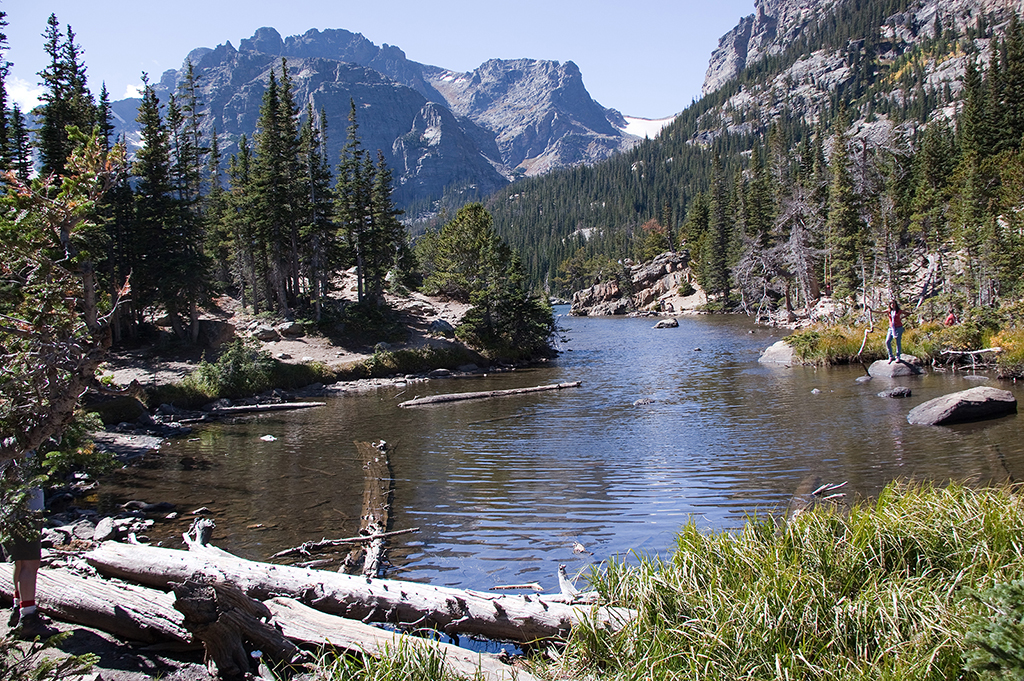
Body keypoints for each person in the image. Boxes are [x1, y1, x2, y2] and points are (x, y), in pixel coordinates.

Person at [1, 456, 57, 639]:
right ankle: (28, 618)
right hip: (26, 509)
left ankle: (19, 607)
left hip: (10, 509)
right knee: (30, 564)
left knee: (20, 562)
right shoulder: (25, 437)